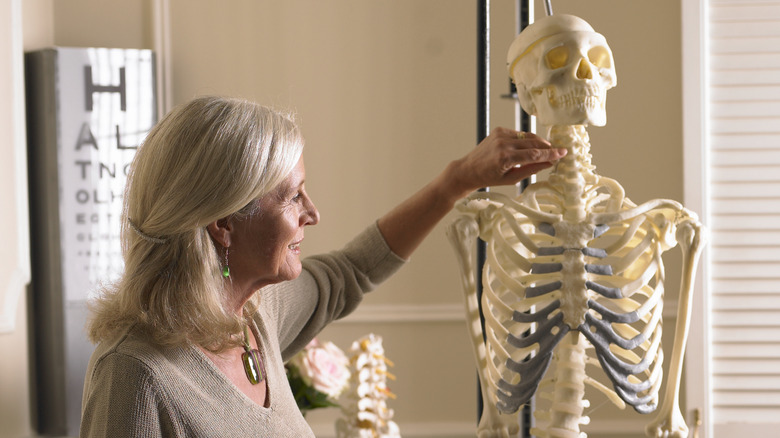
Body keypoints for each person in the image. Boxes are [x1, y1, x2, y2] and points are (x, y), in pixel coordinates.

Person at [79, 95, 566, 437]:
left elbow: (350, 272)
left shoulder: (253, 314)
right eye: (293, 197)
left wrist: (455, 183)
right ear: (223, 225)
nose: (313, 214)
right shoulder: (134, 377)